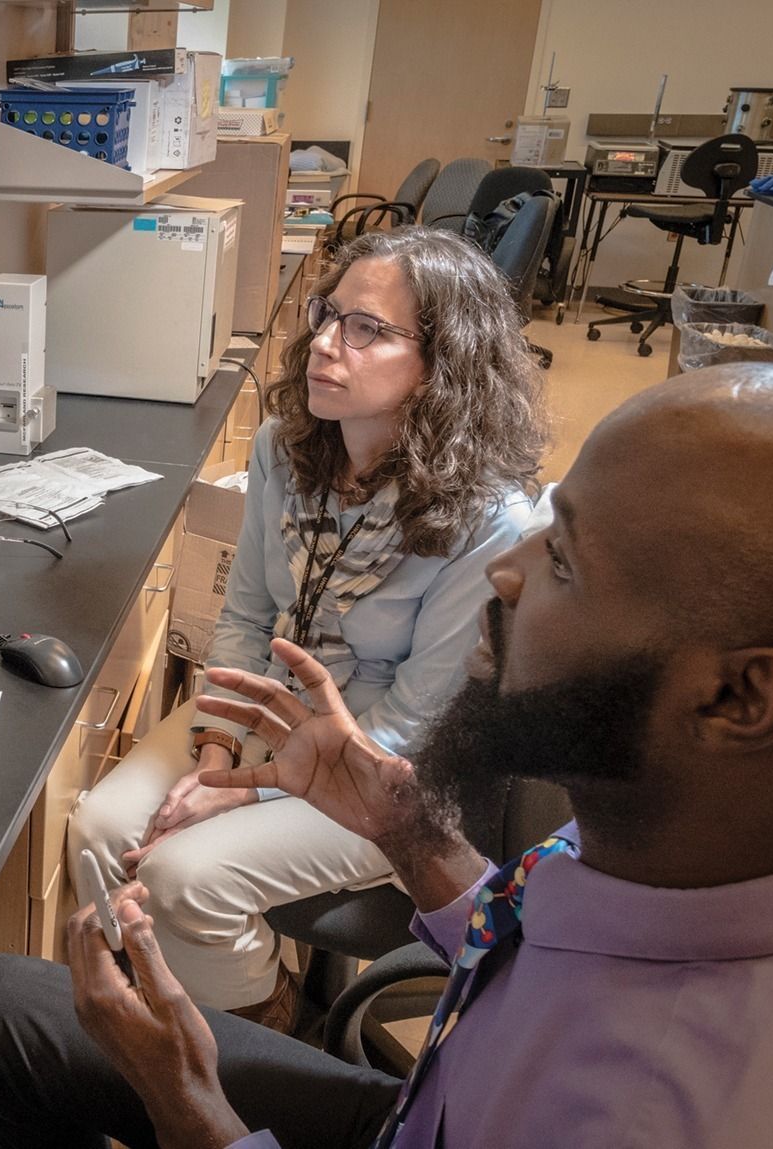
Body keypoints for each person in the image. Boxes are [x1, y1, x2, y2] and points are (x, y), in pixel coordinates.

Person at [0, 363, 773, 1149]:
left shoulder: (659, 1107)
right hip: (437, 1096)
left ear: (741, 698)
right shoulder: (667, 857)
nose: (505, 569)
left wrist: (188, 1100)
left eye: (561, 559)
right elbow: (532, 937)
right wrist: (406, 829)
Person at [67, 226, 546, 1028]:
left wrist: (231, 796)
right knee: (102, 826)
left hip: (391, 772)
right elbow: (249, 614)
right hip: (276, 706)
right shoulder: (282, 453)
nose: (325, 343)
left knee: (183, 871)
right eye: (329, 314)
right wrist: (216, 751)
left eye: (367, 329)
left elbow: (409, 727)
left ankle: (259, 1036)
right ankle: (157, 1022)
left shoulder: (489, 519)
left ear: (444, 363)